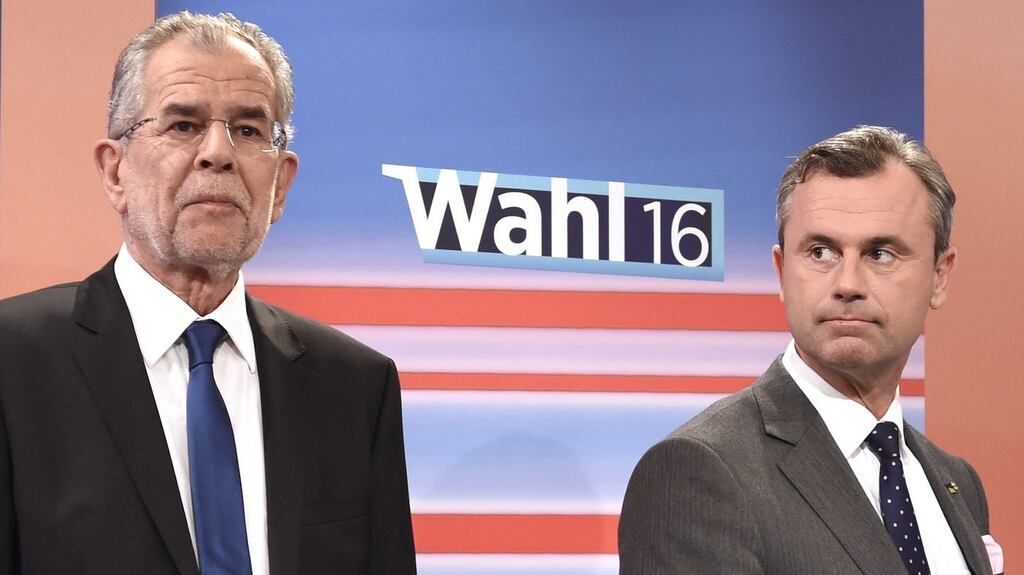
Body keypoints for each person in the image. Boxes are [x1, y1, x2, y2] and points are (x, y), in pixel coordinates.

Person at [0, 11, 415, 575]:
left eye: (248, 130)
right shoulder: (13, 361)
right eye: (183, 124)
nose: (217, 152)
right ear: (115, 171)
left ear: (281, 185)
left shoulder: (354, 385)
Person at [618, 126, 1002, 574]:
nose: (847, 284)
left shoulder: (957, 482)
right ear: (782, 272)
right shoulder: (700, 471)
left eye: (880, 254)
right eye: (821, 251)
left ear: (940, 275)